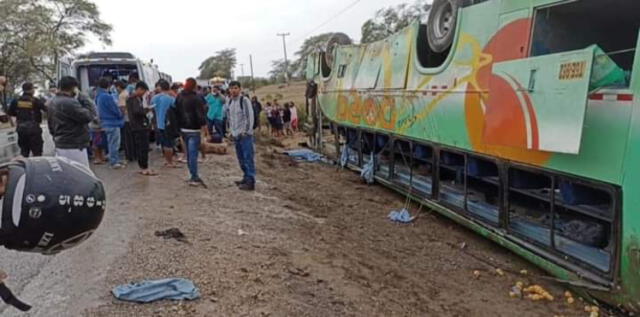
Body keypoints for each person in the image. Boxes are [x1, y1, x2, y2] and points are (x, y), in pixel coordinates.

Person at [47, 76, 96, 167]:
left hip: (61, 143)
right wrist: (83, 96)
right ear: (74, 88)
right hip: (74, 145)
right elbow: (90, 115)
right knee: (81, 173)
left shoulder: (52, 102)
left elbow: (50, 126)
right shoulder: (70, 102)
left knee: (68, 173)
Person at [175, 78, 207, 186]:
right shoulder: (196, 98)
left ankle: (192, 175)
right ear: (194, 86)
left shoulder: (179, 97)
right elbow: (200, 116)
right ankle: (194, 177)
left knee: (188, 153)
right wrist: (204, 129)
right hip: (194, 129)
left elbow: (175, 111)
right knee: (193, 154)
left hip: (183, 129)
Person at [227, 81, 255, 191]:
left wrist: (246, 131)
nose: (233, 90)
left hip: (245, 135)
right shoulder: (230, 102)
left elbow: (249, 117)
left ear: (240, 89)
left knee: (248, 158)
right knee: (241, 159)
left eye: (235, 88)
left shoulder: (244, 101)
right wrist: (230, 131)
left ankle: (250, 181)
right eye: (231, 88)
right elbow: (230, 118)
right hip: (235, 135)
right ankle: (246, 177)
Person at [8, 82, 46, 157]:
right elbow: (46, 109)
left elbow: (11, 112)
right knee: (37, 153)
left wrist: (20, 114)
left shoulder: (16, 101)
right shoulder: (36, 101)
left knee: (24, 151)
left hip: (21, 129)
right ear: (31, 90)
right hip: (34, 130)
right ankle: (36, 167)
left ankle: (25, 167)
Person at [127, 82, 156, 176]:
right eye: (143, 91)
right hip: (139, 126)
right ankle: (144, 167)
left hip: (138, 126)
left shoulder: (136, 98)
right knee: (143, 147)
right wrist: (147, 110)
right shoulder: (133, 99)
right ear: (139, 89)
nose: (144, 93)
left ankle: (142, 166)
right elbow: (137, 111)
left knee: (141, 147)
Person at [96, 78, 125, 168]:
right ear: (108, 86)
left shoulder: (98, 96)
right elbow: (114, 109)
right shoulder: (107, 96)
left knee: (111, 142)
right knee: (115, 143)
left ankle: (114, 159)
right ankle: (114, 162)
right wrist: (121, 114)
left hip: (105, 122)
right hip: (112, 122)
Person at [151, 79, 177, 168]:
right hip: (168, 124)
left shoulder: (155, 98)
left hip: (159, 123)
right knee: (169, 143)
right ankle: (170, 162)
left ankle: (167, 160)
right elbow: (177, 106)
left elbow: (151, 107)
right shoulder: (170, 98)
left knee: (164, 143)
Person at [116, 80, 136, 162]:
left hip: (126, 119)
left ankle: (129, 156)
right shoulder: (127, 93)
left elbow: (122, 108)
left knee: (127, 139)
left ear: (118, 87)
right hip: (131, 118)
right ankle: (134, 155)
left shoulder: (121, 95)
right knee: (132, 138)